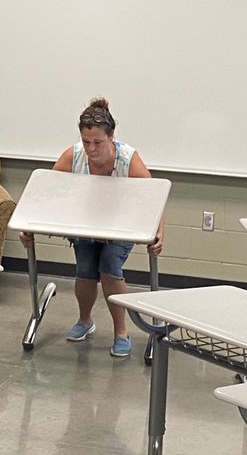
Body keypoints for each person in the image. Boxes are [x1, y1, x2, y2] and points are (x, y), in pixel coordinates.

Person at [19, 96, 163, 359]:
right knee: (85, 270)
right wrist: (27, 225)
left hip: (120, 227)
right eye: (86, 142)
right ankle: (85, 320)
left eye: (98, 142)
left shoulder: (128, 159)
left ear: (111, 137)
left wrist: (159, 233)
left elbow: (154, 198)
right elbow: (45, 194)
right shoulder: (73, 156)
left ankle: (122, 332)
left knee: (109, 267)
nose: (91, 148)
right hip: (85, 224)